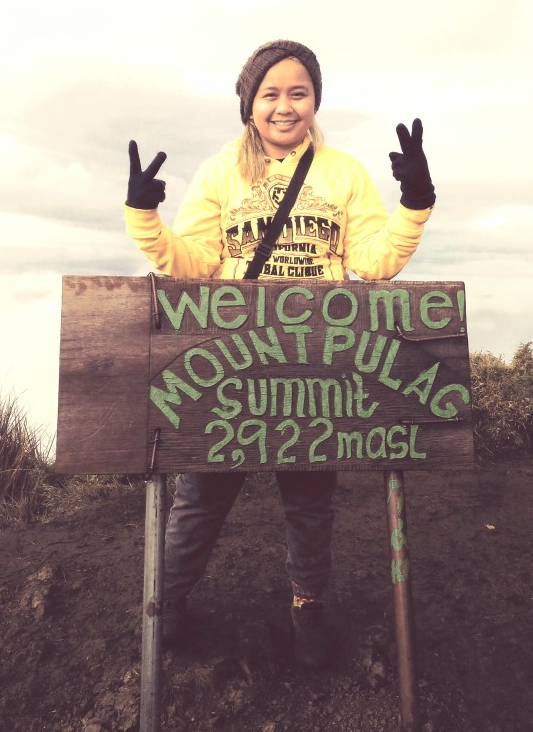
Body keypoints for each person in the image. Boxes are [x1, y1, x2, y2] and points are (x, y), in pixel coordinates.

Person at [124, 40, 436, 669]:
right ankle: (170, 604)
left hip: (314, 360)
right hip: (232, 358)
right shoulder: (221, 172)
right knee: (202, 491)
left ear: (314, 99)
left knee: (311, 493)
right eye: (271, 93)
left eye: (298, 92)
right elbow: (196, 265)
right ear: (249, 103)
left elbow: (373, 262)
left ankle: (307, 605)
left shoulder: (343, 173)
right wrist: (145, 217)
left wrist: (415, 204)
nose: (285, 106)